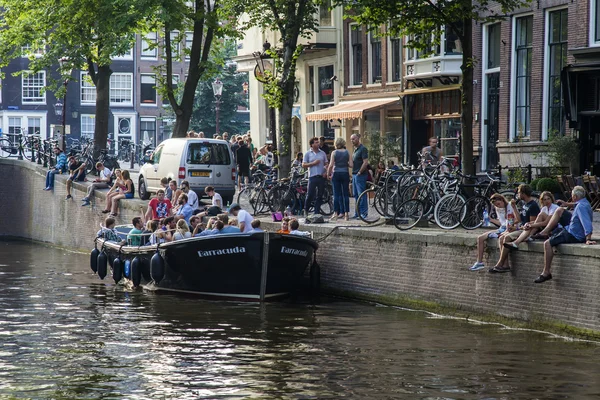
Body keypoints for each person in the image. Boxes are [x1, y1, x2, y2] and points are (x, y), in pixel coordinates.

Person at [534, 186, 595, 283]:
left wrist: (588, 238)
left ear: (574, 196)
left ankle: (546, 272)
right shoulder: (584, 203)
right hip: (571, 228)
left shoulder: (580, 207)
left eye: (572, 196)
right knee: (560, 210)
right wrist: (567, 204)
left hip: (574, 235)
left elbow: (586, 222)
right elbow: (576, 205)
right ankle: (545, 231)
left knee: (547, 243)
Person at [492, 184, 540, 273]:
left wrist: (523, 231)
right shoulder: (525, 204)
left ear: (523, 193)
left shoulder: (533, 206)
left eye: (518, 193)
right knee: (501, 238)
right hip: (521, 228)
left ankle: (500, 264)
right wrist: (514, 207)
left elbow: (532, 224)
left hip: (525, 230)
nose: (517, 195)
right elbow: (520, 219)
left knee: (506, 238)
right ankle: (505, 265)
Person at [469, 194, 515, 271]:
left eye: (498, 204)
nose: (498, 206)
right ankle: (479, 262)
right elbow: (501, 223)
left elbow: (513, 221)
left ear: (502, 200)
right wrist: (491, 220)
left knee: (501, 239)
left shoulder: (510, 206)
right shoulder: (497, 209)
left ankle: (504, 264)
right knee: (480, 238)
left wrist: (509, 227)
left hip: (508, 228)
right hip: (502, 228)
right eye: (496, 205)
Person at [327, 137, 352, 221]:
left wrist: (328, 174)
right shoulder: (347, 152)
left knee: (336, 194)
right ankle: (346, 215)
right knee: (345, 194)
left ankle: (335, 213)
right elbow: (351, 165)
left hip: (336, 174)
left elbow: (331, 165)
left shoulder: (334, 152)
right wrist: (345, 164)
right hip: (345, 173)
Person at [302, 137, 328, 217]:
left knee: (320, 195)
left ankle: (317, 212)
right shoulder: (307, 153)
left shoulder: (322, 153)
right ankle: (306, 210)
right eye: (316, 142)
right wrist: (313, 163)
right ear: (312, 145)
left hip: (321, 176)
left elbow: (326, 163)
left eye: (318, 142)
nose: (318, 143)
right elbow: (303, 165)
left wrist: (326, 172)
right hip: (312, 176)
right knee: (310, 194)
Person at [351, 134, 369, 219]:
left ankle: (364, 213)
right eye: (351, 139)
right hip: (354, 174)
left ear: (358, 138)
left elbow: (365, 162)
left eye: (354, 139)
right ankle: (357, 212)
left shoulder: (363, 149)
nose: (352, 141)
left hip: (360, 175)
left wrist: (359, 172)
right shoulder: (355, 150)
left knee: (361, 194)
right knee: (355, 194)